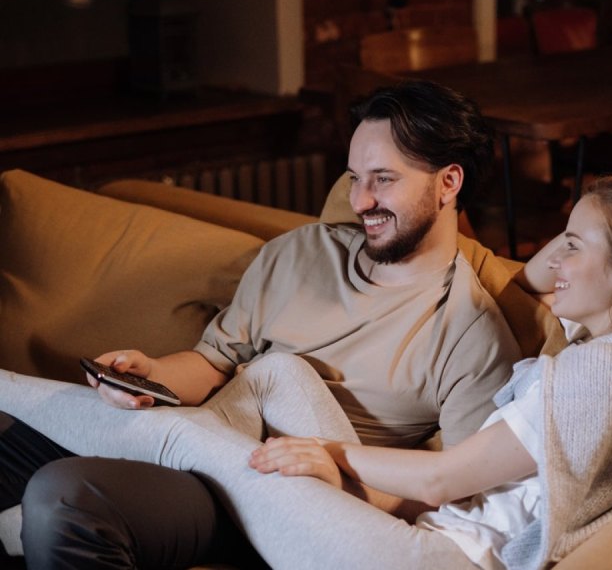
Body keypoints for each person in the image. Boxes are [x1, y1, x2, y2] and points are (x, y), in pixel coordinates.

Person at [1, 174, 612, 569]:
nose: (556, 258)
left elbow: (443, 480)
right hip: (422, 531)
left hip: (429, 561)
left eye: (577, 243)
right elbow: (539, 276)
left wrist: (328, 457)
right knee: (282, 370)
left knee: (189, 444)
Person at [0, 79, 522, 568]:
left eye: (383, 180)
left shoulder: (472, 336)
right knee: (20, 440)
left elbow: (454, 499)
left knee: (63, 496)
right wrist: (150, 374)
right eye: (354, 178)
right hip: (205, 424)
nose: (361, 201)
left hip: (268, 492)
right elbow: (211, 364)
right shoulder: (299, 254)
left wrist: (339, 478)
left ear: (448, 182)